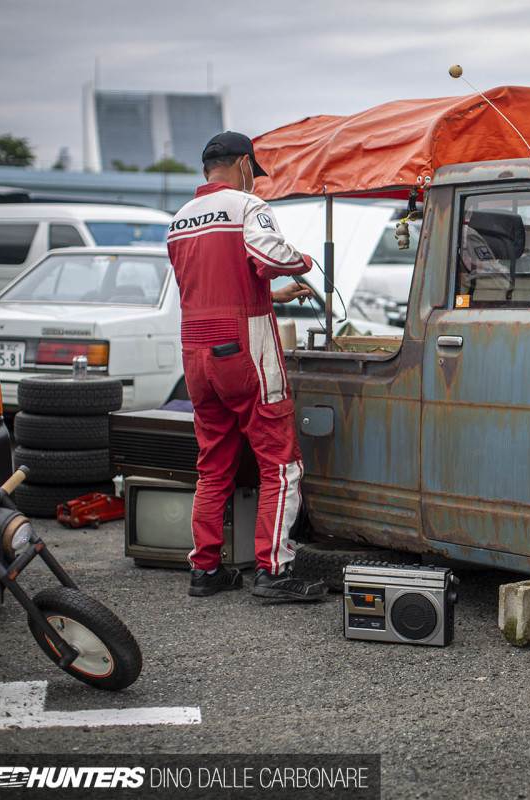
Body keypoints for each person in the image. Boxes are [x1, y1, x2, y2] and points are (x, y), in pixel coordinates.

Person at [167, 130, 323, 602]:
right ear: (244, 165)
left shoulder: (178, 219)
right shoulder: (246, 205)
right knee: (281, 464)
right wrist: (304, 262)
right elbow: (267, 253)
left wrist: (270, 295)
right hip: (245, 351)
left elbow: (215, 287)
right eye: (253, 171)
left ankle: (205, 570)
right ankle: (274, 572)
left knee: (213, 466)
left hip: (196, 352)